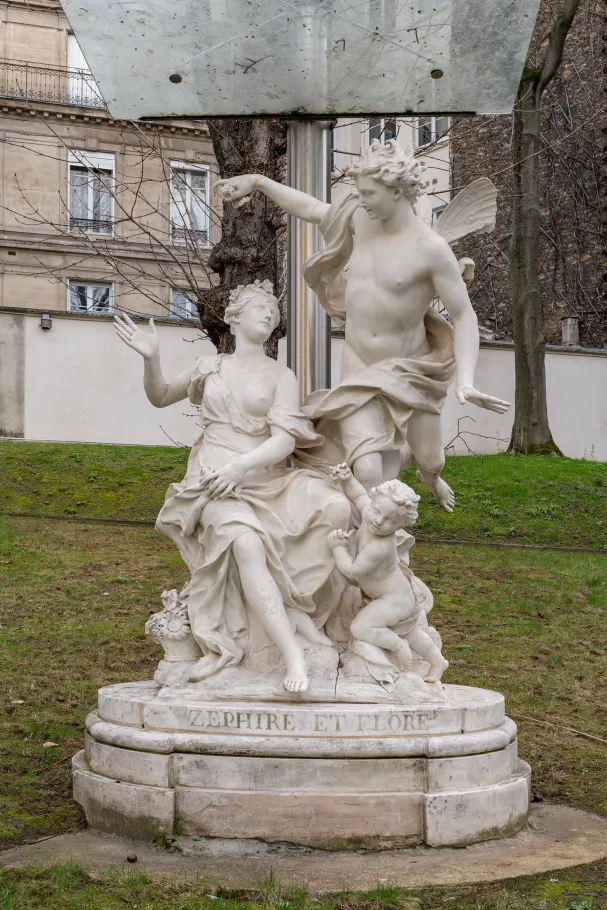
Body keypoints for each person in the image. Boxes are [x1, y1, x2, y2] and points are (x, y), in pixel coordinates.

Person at [217, 140, 509, 512]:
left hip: (410, 370)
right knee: (368, 470)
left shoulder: (431, 249)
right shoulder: (360, 219)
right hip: (359, 367)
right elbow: (311, 208)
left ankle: (430, 477)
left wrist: (466, 379)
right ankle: (370, 550)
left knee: (430, 458)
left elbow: (464, 315)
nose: (361, 200)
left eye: (369, 193)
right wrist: (258, 182)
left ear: (398, 192)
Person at [113, 281, 350, 694]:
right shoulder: (210, 367)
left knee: (336, 507)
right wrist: (151, 359)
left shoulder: (282, 374)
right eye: (260, 307)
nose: (269, 315)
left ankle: (304, 614)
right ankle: (290, 651)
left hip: (262, 475)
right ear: (233, 317)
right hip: (214, 482)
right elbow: (160, 395)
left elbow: (285, 440)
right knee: (246, 544)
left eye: (274, 312)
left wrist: (243, 466)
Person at [328, 464, 449, 683]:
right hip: (394, 595)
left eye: (390, 521)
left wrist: (337, 547)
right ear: (373, 504)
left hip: (394, 599)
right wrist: (347, 479)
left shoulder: (380, 546)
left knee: (361, 627)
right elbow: (358, 494)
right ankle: (437, 661)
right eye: (377, 511)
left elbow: (352, 570)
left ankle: (396, 645)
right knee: (412, 633)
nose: (378, 521)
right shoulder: (369, 514)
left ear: (401, 526)